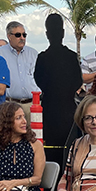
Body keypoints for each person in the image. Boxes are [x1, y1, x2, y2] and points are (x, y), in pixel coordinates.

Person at [34, 14, 83, 170]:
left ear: (47, 34)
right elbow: (78, 81)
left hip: (49, 109)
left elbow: (39, 80)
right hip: (67, 108)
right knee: (68, 149)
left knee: (51, 150)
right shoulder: (70, 57)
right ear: (62, 33)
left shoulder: (43, 58)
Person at [0, 21, 40, 120]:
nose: (22, 38)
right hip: (10, 105)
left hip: (32, 105)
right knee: (10, 135)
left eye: (24, 35)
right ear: (9, 36)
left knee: (34, 135)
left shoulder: (33, 54)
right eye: (18, 35)